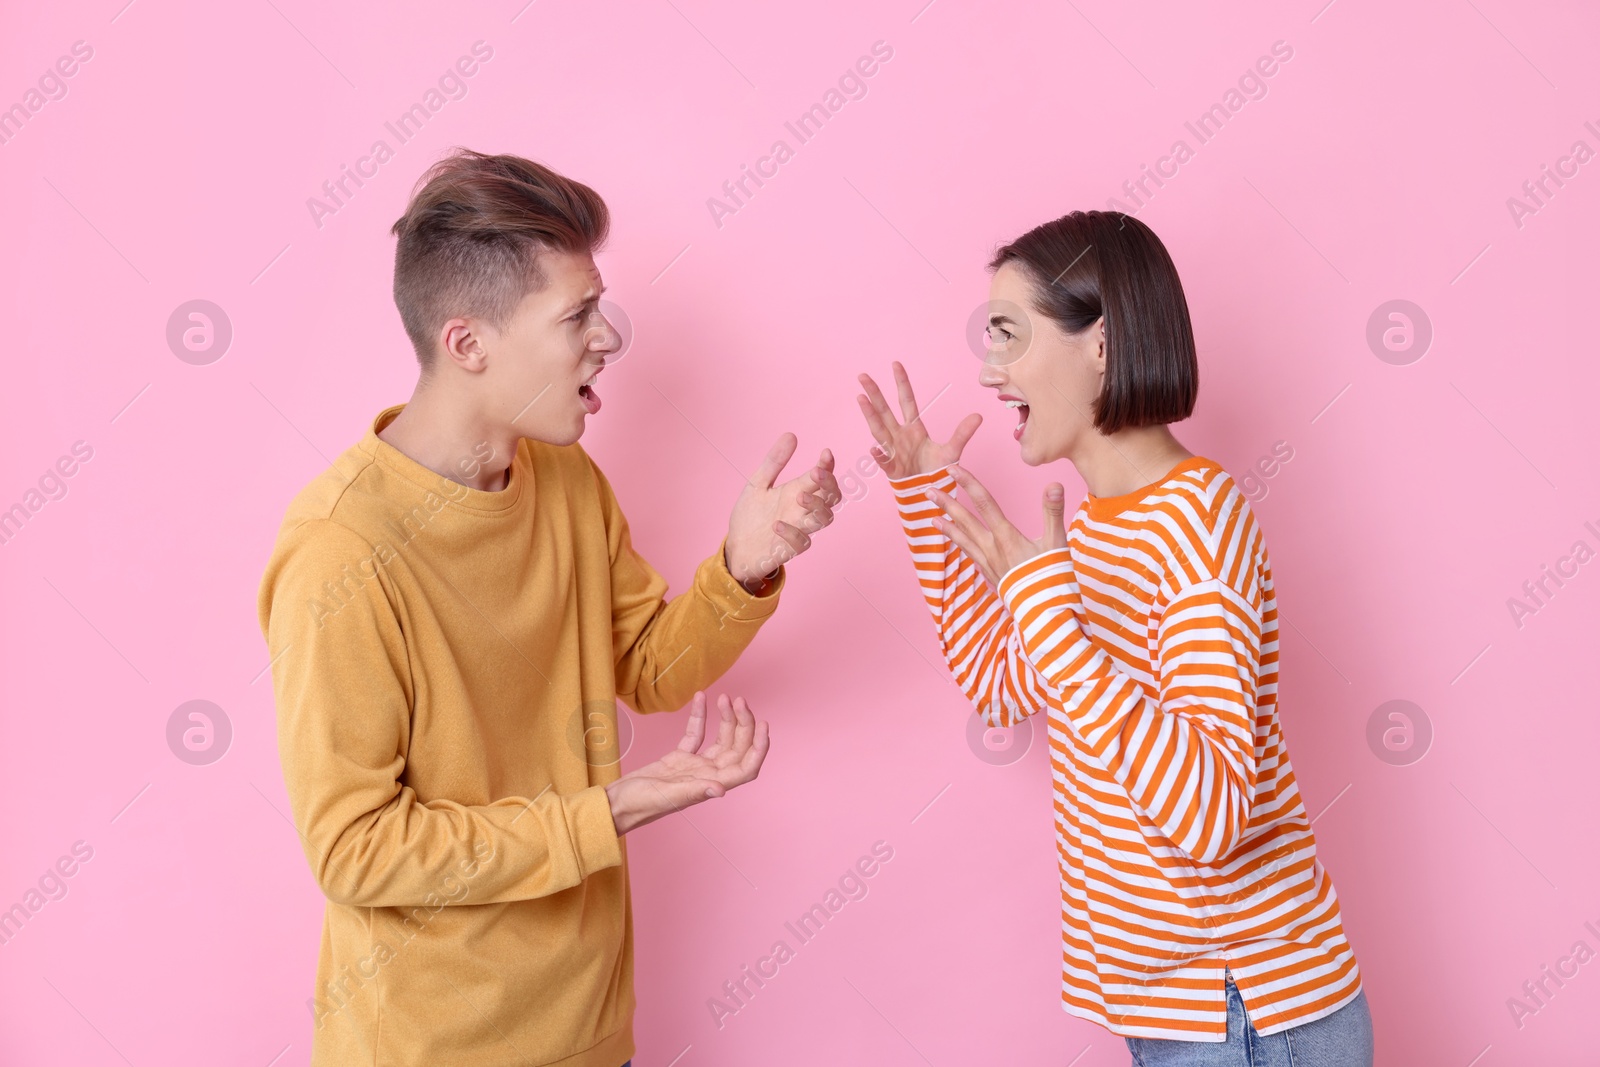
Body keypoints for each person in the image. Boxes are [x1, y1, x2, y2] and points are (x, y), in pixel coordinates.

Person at [256, 148, 840, 1067]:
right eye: (578, 315)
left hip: (590, 1030)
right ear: (467, 343)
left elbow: (646, 666)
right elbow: (356, 850)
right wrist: (606, 810)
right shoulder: (342, 550)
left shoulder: (565, 479)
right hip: (432, 1048)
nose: (607, 337)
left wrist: (744, 567)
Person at [855, 210, 1373, 1066]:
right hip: (1181, 1008)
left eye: (1009, 336)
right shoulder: (1096, 532)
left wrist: (1045, 609)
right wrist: (925, 500)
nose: (989, 370)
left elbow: (1210, 815)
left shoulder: (1198, 524)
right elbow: (1001, 682)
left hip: (1247, 1006)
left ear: (1101, 343)